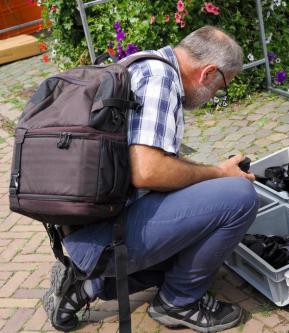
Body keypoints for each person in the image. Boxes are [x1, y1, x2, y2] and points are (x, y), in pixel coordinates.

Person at [42, 26, 258, 333]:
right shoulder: (162, 80)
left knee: (207, 217)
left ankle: (85, 284)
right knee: (239, 197)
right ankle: (178, 302)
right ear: (209, 73)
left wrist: (211, 175)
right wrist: (219, 174)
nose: (214, 96)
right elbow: (149, 171)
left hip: (90, 227)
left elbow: (145, 166)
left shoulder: (142, 64)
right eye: (221, 87)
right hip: (106, 234)